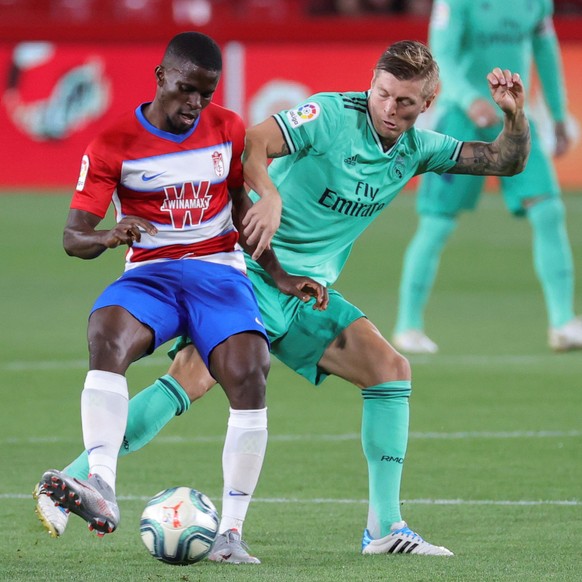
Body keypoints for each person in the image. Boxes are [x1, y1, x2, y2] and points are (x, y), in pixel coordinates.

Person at [36, 40, 531, 558]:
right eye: (382, 93)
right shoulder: (330, 114)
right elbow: (251, 141)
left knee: (389, 369)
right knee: (190, 378)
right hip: (250, 270)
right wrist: (268, 195)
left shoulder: (417, 149)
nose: (389, 107)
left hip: (306, 292)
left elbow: (505, 159)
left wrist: (514, 116)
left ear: (426, 104)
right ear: (372, 84)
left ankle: (384, 529)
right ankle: (76, 482)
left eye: (404, 102)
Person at [36, 31, 317, 545]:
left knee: (251, 369)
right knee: (107, 329)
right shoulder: (113, 144)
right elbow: (73, 237)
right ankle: (101, 482)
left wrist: (278, 274)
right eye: (187, 89)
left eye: (205, 93)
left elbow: (238, 206)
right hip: (152, 273)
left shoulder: (227, 128)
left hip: (218, 270)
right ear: (161, 76)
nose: (195, 104)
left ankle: (231, 534)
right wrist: (107, 235)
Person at [392, 0, 581, 355]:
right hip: (462, 121)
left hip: (515, 120)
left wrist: (558, 114)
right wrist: (468, 99)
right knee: (437, 224)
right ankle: (408, 326)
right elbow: (440, 57)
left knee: (549, 210)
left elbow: (545, 51)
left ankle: (562, 322)